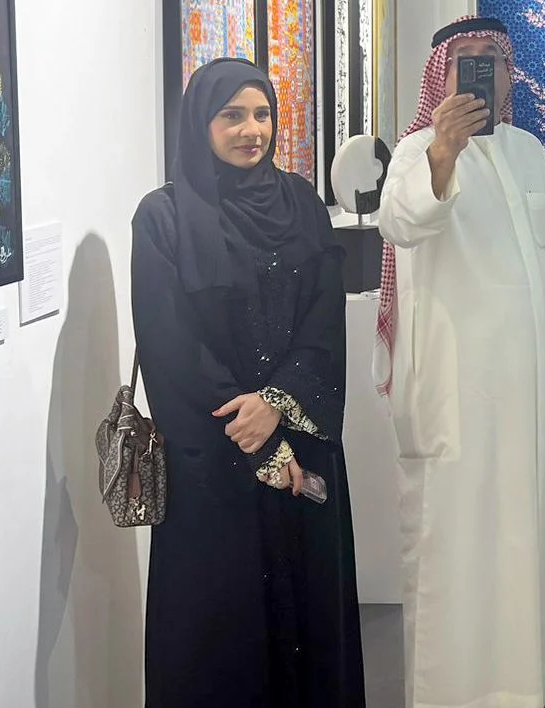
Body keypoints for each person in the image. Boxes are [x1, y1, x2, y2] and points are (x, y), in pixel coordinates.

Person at [130, 58, 366, 708]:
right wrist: (253, 432)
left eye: (261, 114)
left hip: (302, 444)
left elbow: (324, 321)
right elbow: (170, 344)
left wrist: (277, 404)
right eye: (231, 115)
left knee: (306, 617)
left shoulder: (301, 205)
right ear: (200, 124)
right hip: (217, 460)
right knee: (219, 630)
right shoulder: (163, 218)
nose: (250, 130)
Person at [376, 15, 545, 708]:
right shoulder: (416, 149)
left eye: (493, 57)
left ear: (507, 74)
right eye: (464, 58)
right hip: (456, 388)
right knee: (458, 540)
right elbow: (401, 221)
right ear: (440, 75)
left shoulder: (529, 151)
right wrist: (444, 150)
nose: (481, 68)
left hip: (529, 388)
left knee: (530, 530)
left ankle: (535, 681)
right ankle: (459, 690)